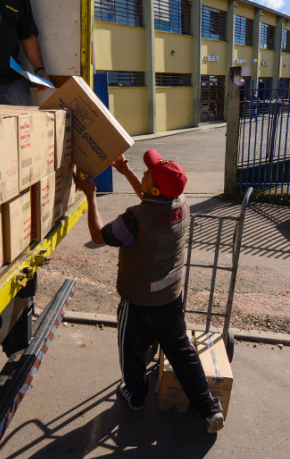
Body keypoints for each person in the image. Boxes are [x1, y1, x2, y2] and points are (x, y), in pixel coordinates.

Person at [73, 150, 225, 434]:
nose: (142, 173)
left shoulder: (134, 221)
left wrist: (90, 194)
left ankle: (136, 396)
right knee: (182, 352)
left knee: (131, 352)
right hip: (171, 297)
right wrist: (126, 172)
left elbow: (98, 236)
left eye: (146, 173)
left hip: (140, 302)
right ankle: (209, 407)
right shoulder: (181, 203)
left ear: (154, 188)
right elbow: (153, 204)